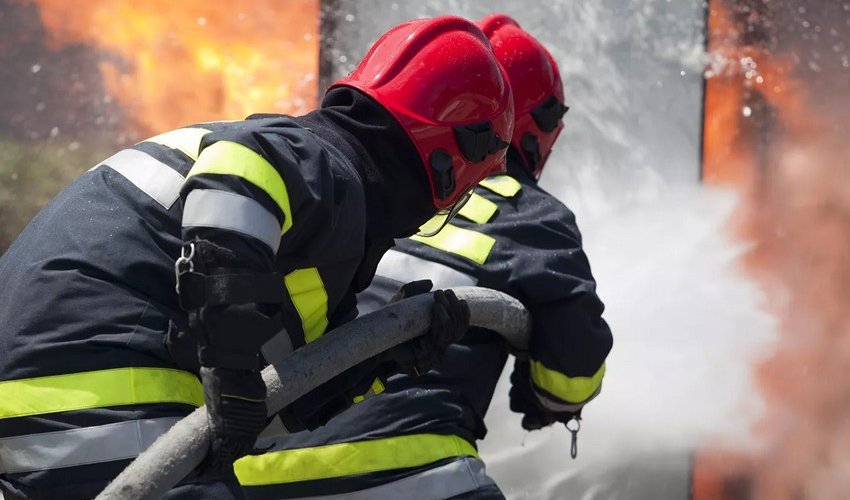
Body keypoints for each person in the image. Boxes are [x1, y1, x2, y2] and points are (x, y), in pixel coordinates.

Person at [0, 16, 514, 500]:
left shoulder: (304, 227)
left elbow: (264, 412)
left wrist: (384, 360)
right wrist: (229, 369)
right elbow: (240, 168)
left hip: (42, 404)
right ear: (450, 162)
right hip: (93, 390)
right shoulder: (320, 163)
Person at [237, 14, 613, 500]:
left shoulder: (351, 188)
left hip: (244, 472)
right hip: (406, 471)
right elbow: (571, 378)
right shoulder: (530, 217)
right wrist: (544, 392)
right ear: (532, 125)